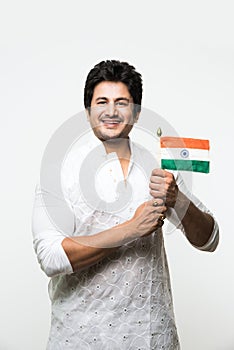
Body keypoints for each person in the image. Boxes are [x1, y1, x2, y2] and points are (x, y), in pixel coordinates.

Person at [32, 60, 219, 349]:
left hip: (153, 337)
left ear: (137, 112)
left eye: (122, 102)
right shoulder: (60, 170)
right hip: (80, 338)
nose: (111, 111)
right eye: (102, 102)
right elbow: (51, 257)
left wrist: (177, 198)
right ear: (88, 111)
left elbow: (209, 240)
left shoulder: (160, 167)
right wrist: (131, 229)